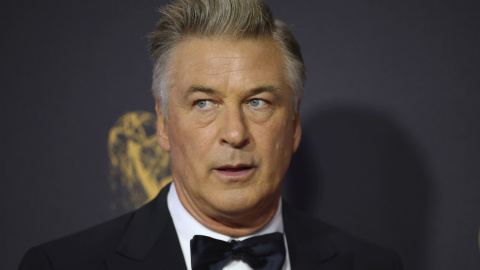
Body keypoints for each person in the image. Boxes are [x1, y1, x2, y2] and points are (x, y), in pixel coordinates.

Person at [18, 0, 402, 269]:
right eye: (204, 103)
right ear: (164, 124)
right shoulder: (61, 265)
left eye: (258, 102)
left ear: (294, 124)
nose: (235, 134)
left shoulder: (373, 265)